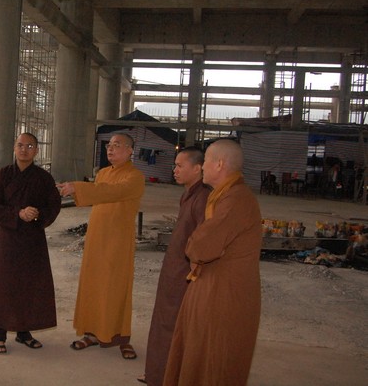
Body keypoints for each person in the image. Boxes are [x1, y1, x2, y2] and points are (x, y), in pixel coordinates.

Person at [163, 139, 262, 386]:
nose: (203, 166)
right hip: (211, 286)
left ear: (219, 164)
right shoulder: (224, 195)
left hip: (225, 293)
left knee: (214, 358)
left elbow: (201, 247)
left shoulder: (236, 199)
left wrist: (194, 242)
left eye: (206, 160)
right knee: (197, 353)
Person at [57, 132, 145, 360]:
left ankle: (121, 337)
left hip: (118, 241)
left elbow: (112, 193)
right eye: (109, 145)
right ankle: (91, 333)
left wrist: (78, 187)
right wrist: (75, 190)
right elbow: (98, 196)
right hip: (97, 238)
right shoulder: (103, 173)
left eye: (117, 145)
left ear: (130, 150)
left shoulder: (135, 177)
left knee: (116, 288)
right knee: (93, 285)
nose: (111, 149)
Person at [0, 133, 62, 354]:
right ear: (14, 148)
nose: (24, 149)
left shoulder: (44, 179)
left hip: (32, 239)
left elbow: (53, 205)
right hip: (7, 237)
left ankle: (24, 331)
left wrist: (37, 215)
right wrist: (18, 213)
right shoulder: (2, 175)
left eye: (30, 146)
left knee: (29, 283)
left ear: (36, 151)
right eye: (20, 145)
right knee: (1, 284)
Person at [138, 147, 210, 385]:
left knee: (175, 325)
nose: (175, 170)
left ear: (198, 168)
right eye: (175, 165)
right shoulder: (188, 193)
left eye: (180, 166)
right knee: (164, 321)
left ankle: (170, 375)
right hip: (174, 268)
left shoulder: (204, 197)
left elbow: (203, 239)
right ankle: (159, 373)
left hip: (185, 272)